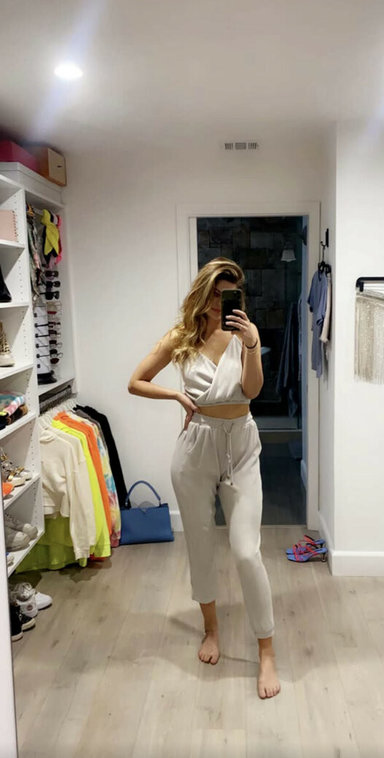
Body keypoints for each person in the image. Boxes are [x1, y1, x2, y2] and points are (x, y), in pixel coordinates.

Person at [128, 257, 280, 699]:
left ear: (238, 297)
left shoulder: (245, 335)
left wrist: (251, 344)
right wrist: (176, 395)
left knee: (246, 551)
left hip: (241, 446)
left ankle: (266, 650)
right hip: (196, 447)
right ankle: (211, 629)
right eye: (213, 293)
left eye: (227, 295)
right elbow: (136, 381)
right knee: (199, 545)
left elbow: (252, 391)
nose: (219, 303)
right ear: (202, 292)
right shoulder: (182, 337)